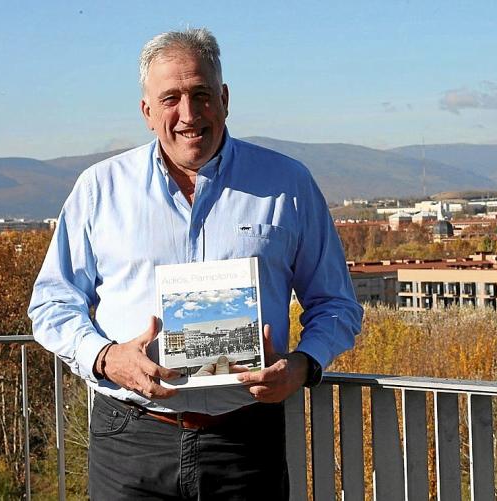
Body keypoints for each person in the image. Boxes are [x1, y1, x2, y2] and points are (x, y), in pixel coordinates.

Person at [28, 27, 363, 500]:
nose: (188, 114)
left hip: (245, 442)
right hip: (130, 440)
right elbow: (52, 305)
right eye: (171, 99)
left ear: (224, 99)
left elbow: (336, 304)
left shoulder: (288, 184)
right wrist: (105, 358)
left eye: (201, 94)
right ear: (147, 112)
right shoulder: (99, 189)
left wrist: (303, 365)